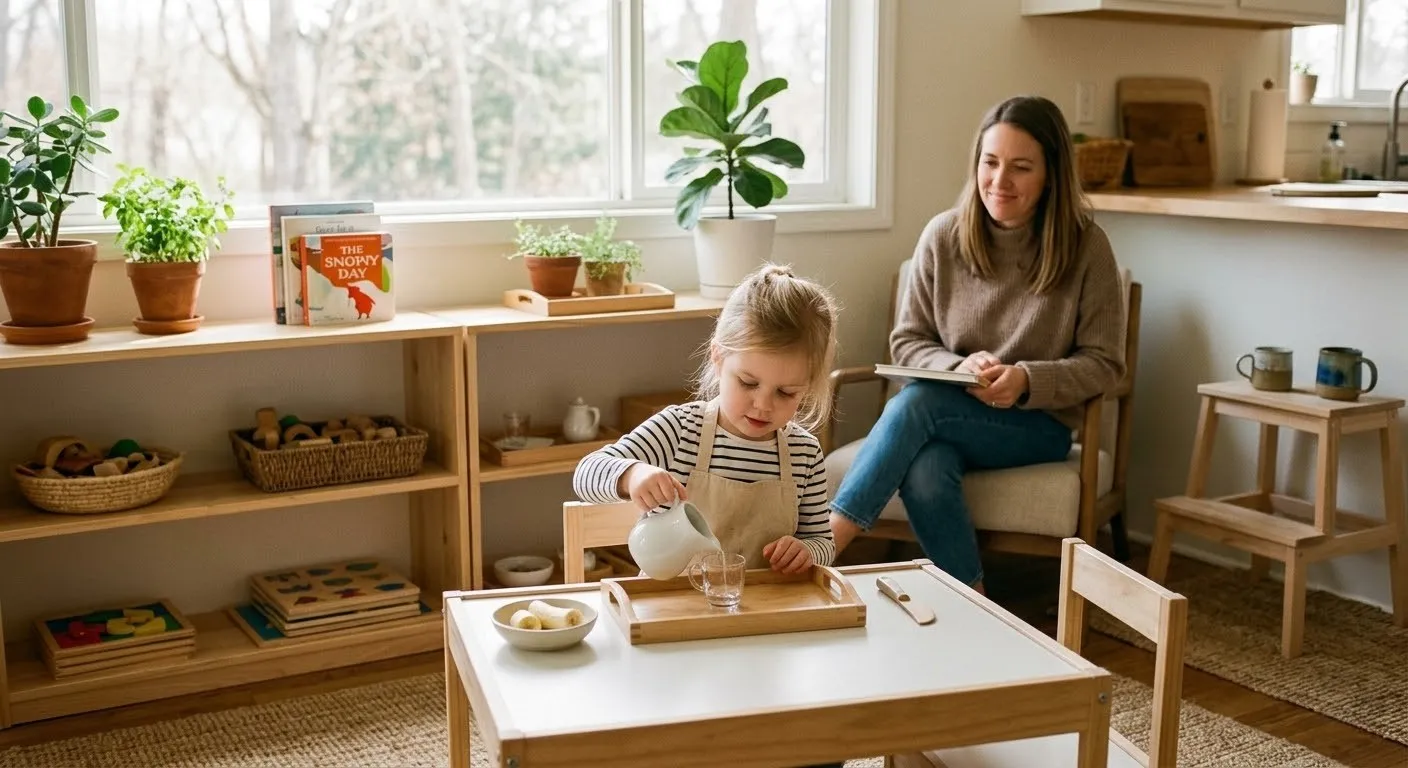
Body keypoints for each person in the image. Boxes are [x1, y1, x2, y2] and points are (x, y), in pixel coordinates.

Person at [828, 94, 1127, 594]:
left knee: (918, 403)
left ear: (1051, 174)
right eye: (990, 162)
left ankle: (828, 543)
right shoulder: (943, 235)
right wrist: (959, 364)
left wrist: (1027, 379)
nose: (999, 181)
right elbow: (908, 341)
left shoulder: (1086, 247)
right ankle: (975, 601)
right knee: (925, 469)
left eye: (1021, 167)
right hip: (950, 417)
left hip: (1039, 427)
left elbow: (1104, 364)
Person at [573, 263, 841, 574]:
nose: (763, 405)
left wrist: (807, 551)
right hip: (673, 608)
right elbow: (586, 473)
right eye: (748, 383)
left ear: (807, 387)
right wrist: (631, 474)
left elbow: (823, 540)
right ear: (718, 358)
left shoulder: (804, 454)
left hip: (763, 612)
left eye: (786, 392)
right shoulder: (680, 429)